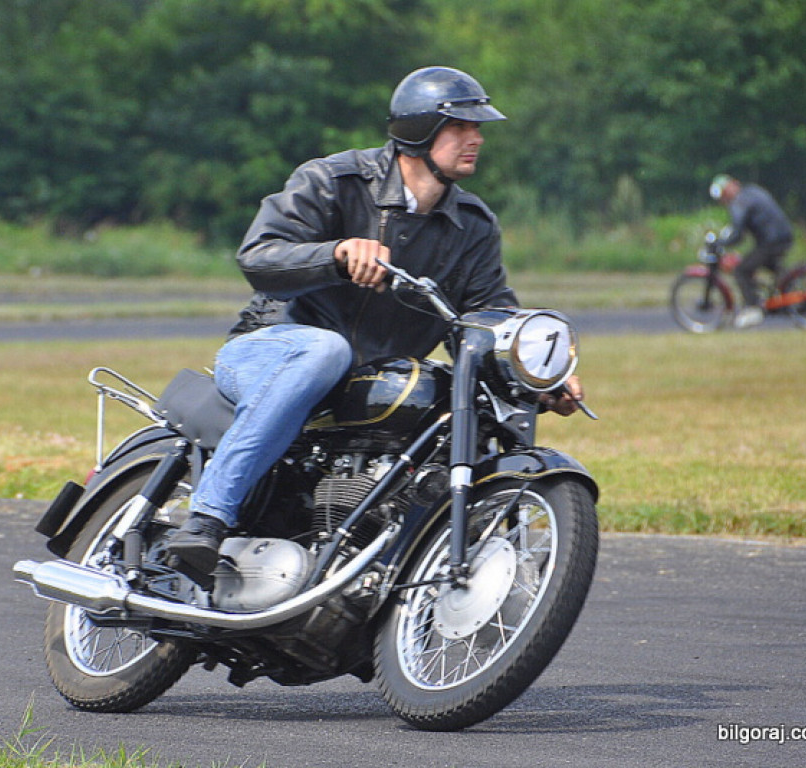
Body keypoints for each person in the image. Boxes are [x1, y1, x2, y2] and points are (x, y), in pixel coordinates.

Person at [167, 66, 584, 580]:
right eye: (461, 128)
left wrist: (539, 373)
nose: (475, 139)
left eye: (478, 129)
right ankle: (207, 518)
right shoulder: (334, 181)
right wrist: (336, 253)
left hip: (367, 384)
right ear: (418, 131)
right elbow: (259, 257)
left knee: (459, 399)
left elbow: (488, 314)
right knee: (326, 351)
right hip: (270, 350)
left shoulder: (473, 226)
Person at [709, 174, 795, 328]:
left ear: (733, 185)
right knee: (769, 265)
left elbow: (738, 234)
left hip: (771, 241)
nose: (723, 199)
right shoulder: (752, 191)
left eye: (723, 194)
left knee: (741, 270)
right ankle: (787, 285)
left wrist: (720, 243)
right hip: (783, 236)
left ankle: (753, 308)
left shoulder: (739, 202)